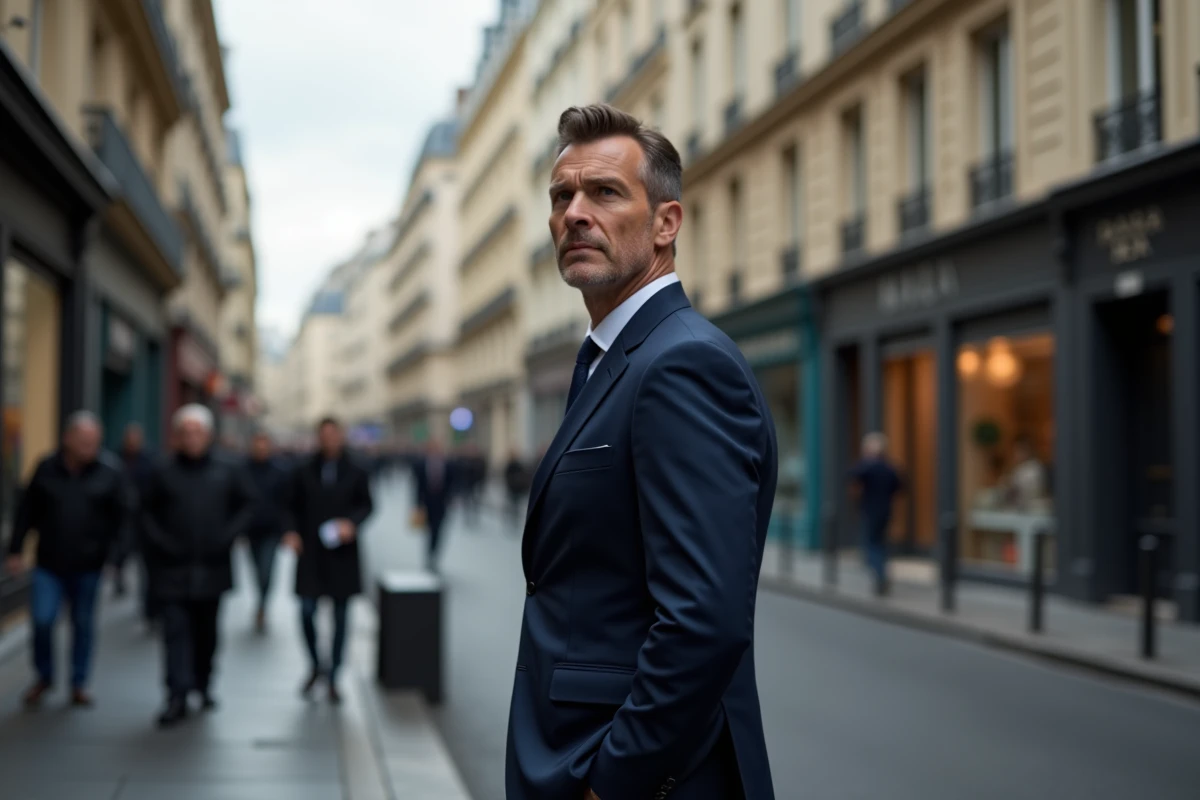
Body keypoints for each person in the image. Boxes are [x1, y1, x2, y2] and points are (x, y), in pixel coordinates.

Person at [506, 105, 778, 800]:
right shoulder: (612, 360)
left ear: (666, 224)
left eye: (604, 192)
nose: (574, 213)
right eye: (561, 196)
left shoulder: (682, 365)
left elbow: (703, 622)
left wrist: (613, 782)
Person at [141, 404, 256, 727]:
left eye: (198, 432)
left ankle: (203, 683)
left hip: (212, 566)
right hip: (172, 568)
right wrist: (161, 543)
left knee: (206, 632)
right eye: (185, 432)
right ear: (176, 437)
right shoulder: (162, 470)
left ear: (208, 436)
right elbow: (145, 512)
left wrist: (228, 535)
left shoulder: (228, 469)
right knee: (175, 632)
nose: (192, 438)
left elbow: (247, 505)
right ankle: (176, 693)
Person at [4, 411, 127, 709]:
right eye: (84, 440)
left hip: (89, 565)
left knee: (82, 624)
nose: (89, 447)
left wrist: (116, 557)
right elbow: (26, 511)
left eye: (94, 441)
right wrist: (16, 549)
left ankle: (78, 682)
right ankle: (44, 676)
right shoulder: (46, 468)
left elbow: (122, 519)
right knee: (43, 620)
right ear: (68, 439)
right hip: (49, 563)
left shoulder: (109, 472)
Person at [281, 417, 374, 704]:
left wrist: (352, 524)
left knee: (341, 617)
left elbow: (367, 504)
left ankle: (334, 675)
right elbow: (288, 505)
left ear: (341, 437)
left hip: (342, 553)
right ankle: (315, 664)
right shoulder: (303, 470)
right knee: (306, 611)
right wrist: (290, 532)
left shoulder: (356, 469)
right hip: (310, 553)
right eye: (324, 435)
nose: (329, 440)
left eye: (334, 434)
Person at [848, 432, 902, 596]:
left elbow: (851, 476)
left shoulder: (868, 466)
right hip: (886, 510)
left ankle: (879, 574)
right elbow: (899, 486)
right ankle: (882, 573)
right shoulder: (889, 467)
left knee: (872, 544)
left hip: (870, 510)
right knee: (881, 543)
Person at [245, 431, 288, 632]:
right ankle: (261, 600)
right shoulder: (243, 471)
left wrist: (285, 530)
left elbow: (285, 503)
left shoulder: (278, 472)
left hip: (271, 531)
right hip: (251, 531)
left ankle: (262, 605)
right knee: (256, 570)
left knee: (266, 570)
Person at [413, 438, 456, 573]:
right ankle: (429, 555)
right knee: (429, 531)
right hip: (427, 504)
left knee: (438, 530)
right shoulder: (421, 464)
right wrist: (417, 504)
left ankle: (434, 555)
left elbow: (453, 483)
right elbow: (417, 486)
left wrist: (452, 498)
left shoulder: (448, 464)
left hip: (442, 504)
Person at [503, 450, 528, 524]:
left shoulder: (519, 465)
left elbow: (523, 475)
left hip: (518, 488)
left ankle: (514, 517)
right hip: (512, 488)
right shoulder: (509, 465)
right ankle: (512, 517)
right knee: (513, 503)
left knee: (516, 504)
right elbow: (507, 476)